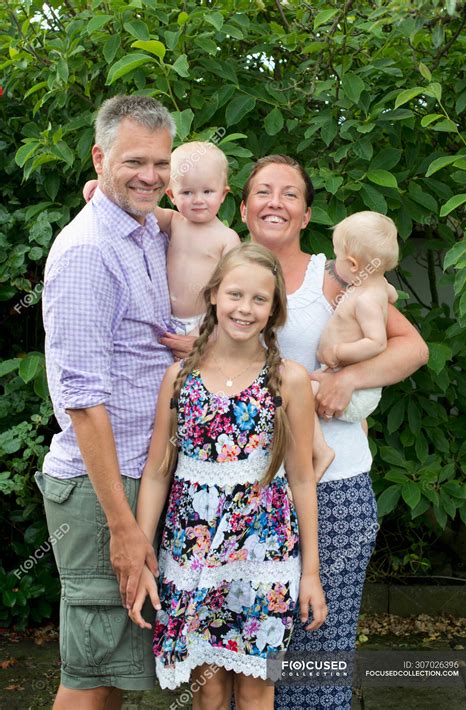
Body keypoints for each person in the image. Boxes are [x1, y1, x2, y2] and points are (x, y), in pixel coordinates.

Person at [236, 154, 429, 710]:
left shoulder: (337, 276)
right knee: (245, 652)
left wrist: (351, 379)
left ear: (306, 213)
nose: (276, 201)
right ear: (243, 206)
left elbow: (413, 347)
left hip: (334, 484)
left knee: (319, 644)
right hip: (243, 490)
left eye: (290, 193)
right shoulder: (223, 270)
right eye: (263, 191)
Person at [129, 243, 328, 709]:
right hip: (192, 552)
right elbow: (158, 472)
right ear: (215, 294)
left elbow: (301, 479)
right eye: (236, 295)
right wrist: (141, 553)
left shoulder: (289, 380)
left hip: (263, 555)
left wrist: (311, 572)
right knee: (208, 692)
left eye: (260, 299)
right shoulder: (180, 377)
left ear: (274, 309)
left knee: (259, 689)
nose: (246, 308)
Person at [36, 95, 176, 709]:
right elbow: (85, 403)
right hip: (103, 491)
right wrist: (122, 528)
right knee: (91, 679)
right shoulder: (89, 251)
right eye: (133, 162)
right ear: (100, 158)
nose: (150, 176)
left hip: (132, 477)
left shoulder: (139, 227)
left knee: (117, 670)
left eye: (161, 163)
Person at [84, 141, 241, 336]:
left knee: (202, 366)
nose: (198, 200)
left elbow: (235, 292)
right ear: (172, 195)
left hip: (206, 322)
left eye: (208, 192)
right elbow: (135, 205)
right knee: (171, 367)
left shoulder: (227, 239)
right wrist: (101, 186)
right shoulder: (174, 222)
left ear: (223, 194)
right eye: (187, 192)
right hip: (167, 321)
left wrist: (208, 330)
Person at [315, 210, 400, 423]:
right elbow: (393, 295)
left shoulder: (366, 300)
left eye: (337, 256)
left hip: (354, 393)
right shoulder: (380, 285)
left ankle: (318, 449)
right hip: (344, 381)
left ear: (353, 264)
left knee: (294, 389)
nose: (335, 261)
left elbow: (377, 342)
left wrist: (337, 352)